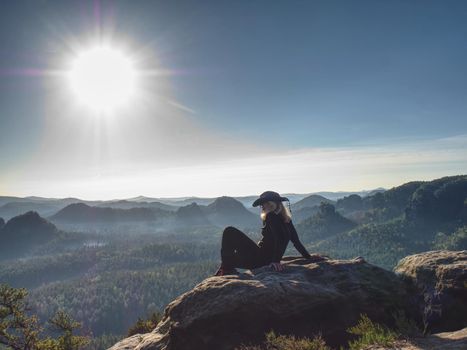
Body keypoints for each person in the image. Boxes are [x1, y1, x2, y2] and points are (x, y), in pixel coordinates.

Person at [214, 190, 312, 276]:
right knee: (230, 259)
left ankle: (226, 268)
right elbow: (296, 241)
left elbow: (280, 238)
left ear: (271, 203)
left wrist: (276, 261)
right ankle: (227, 267)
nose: (262, 206)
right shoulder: (286, 220)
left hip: (259, 258)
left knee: (229, 231)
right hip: (264, 260)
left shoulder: (271, 216)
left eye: (263, 203)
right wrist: (308, 257)